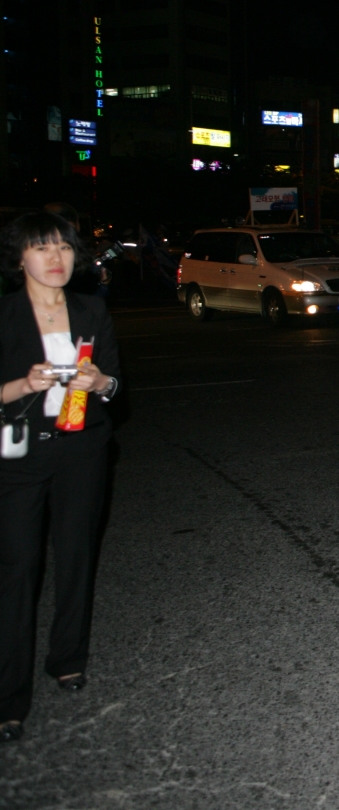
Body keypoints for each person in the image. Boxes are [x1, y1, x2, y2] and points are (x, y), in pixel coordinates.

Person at [0, 211, 124, 744]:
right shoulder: (4, 316)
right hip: (20, 455)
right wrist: (20, 385)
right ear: (20, 257)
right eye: (42, 248)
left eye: (65, 249)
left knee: (77, 556)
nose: (56, 259)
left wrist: (103, 382)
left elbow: (119, 387)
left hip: (83, 450)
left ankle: (68, 658)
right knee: (17, 569)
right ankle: (9, 696)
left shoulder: (91, 310)